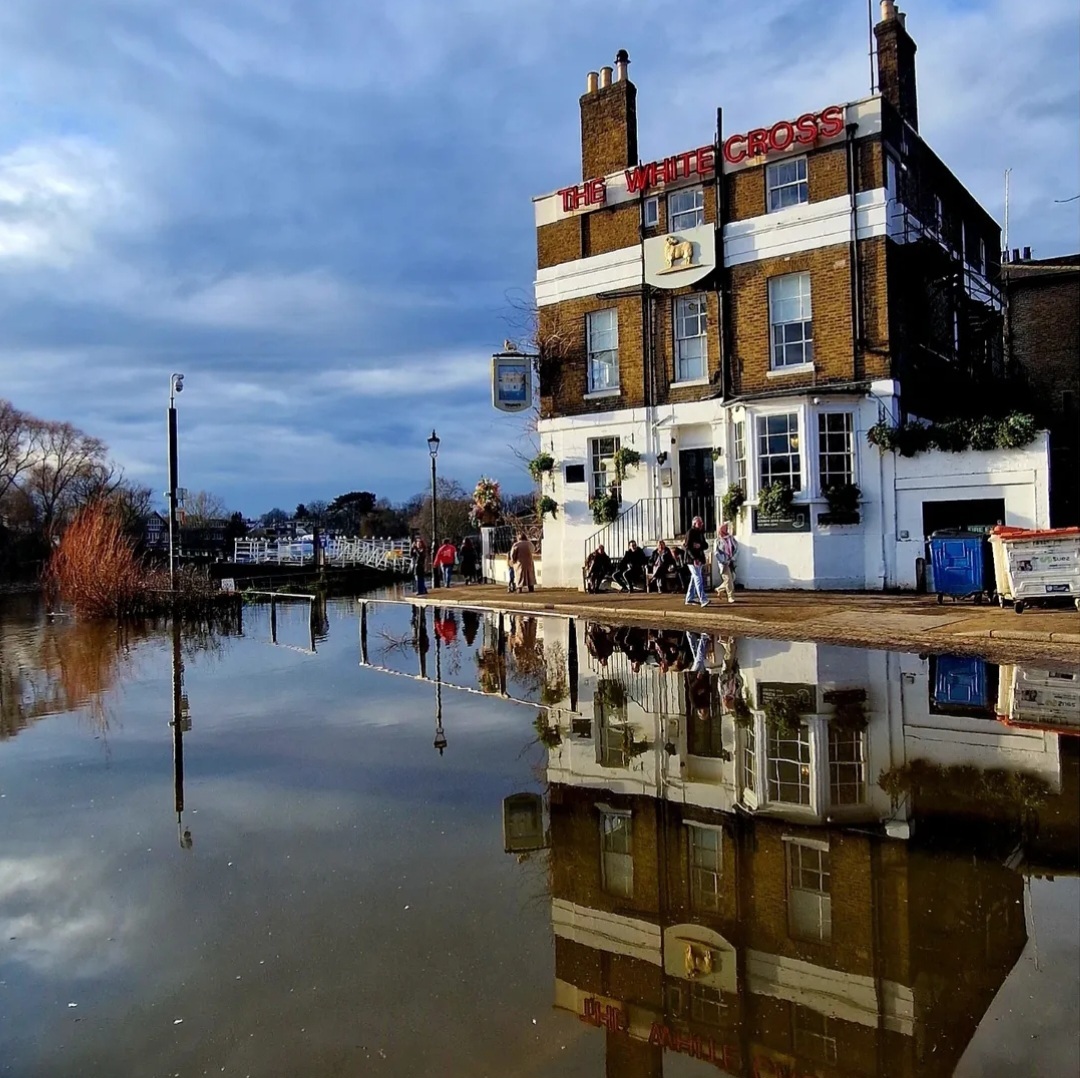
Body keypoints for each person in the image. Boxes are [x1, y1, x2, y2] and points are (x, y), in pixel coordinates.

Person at [684, 515, 709, 607]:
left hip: (699, 558)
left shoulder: (700, 533)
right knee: (698, 578)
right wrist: (694, 558)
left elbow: (706, 545)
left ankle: (689, 598)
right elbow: (687, 547)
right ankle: (703, 599)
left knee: (694, 578)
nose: (702, 524)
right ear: (694, 523)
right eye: (700, 522)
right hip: (692, 559)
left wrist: (699, 545)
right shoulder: (690, 532)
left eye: (702, 522)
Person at [714, 522, 738, 604]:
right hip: (724, 563)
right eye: (725, 528)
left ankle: (719, 589)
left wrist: (733, 557)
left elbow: (736, 548)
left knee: (733, 578)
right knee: (728, 580)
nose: (726, 529)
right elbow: (716, 553)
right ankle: (730, 597)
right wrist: (723, 561)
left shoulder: (730, 538)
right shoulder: (717, 541)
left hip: (731, 560)